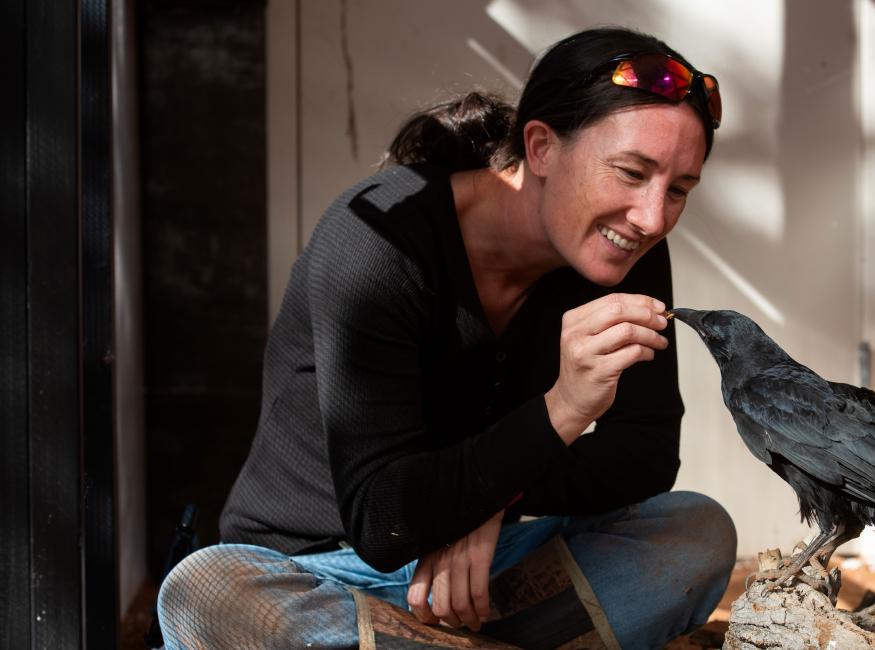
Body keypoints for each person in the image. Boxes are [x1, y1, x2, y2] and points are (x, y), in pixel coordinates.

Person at [157, 26, 736, 650]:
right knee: (205, 590)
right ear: (541, 147)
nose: (652, 216)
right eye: (630, 172)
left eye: (679, 190)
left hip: (483, 581)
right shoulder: (378, 241)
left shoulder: (625, 247)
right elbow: (383, 521)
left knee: (696, 535)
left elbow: (646, 455)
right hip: (316, 574)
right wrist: (562, 409)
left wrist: (493, 501)